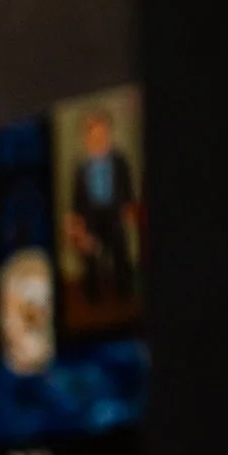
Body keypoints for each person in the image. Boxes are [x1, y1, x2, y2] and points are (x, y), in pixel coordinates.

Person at [66, 108, 140, 309]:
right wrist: (75, 221)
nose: (99, 139)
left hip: (114, 214)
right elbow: (76, 198)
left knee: (120, 255)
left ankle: (125, 292)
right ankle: (92, 296)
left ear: (109, 134)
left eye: (102, 134)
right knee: (90, 257)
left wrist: (129, 206)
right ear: (86, 138)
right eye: (93, 135)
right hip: (91, 217)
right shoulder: (80, 167)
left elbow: (127, 187)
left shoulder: (119, 161)